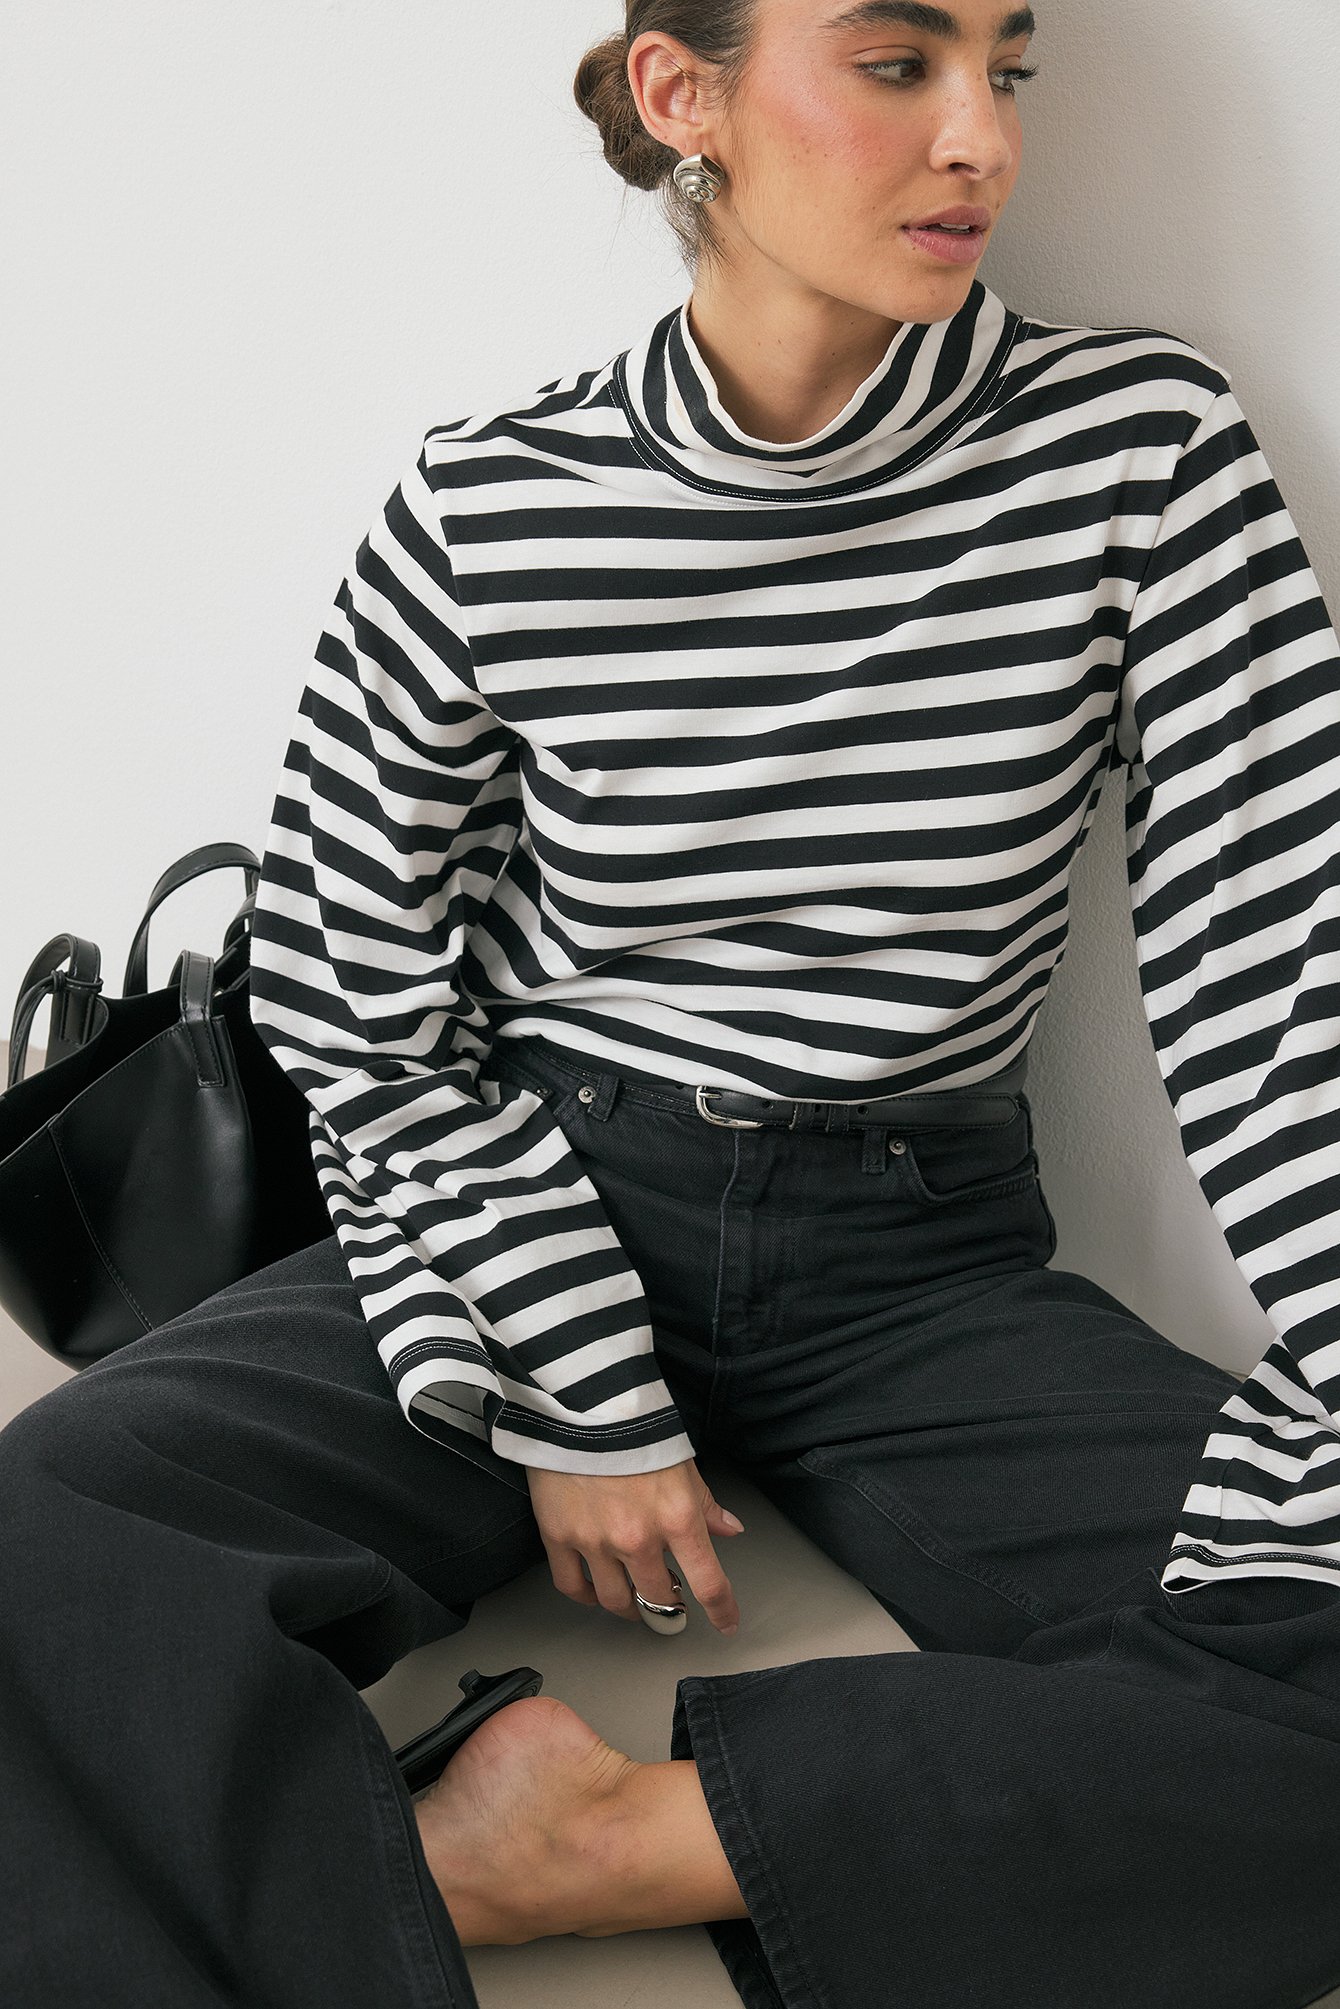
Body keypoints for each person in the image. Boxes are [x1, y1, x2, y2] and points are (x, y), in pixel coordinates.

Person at [3, 2, 1340, 2006]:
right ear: (680, 92)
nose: (980, 137)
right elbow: (357, 991)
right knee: (39, 1551)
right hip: (539, 1201)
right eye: (897, 61)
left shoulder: (1142, 448)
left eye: (1007, 66)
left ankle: (596, 1843)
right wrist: (571, 1374)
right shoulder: (486, 501)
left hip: (923, 1270)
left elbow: (1280, 960)